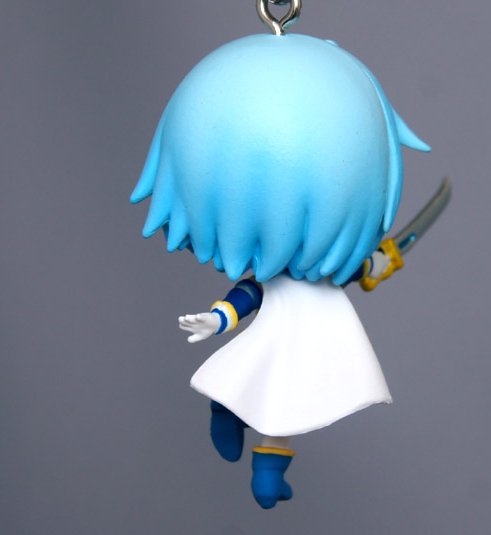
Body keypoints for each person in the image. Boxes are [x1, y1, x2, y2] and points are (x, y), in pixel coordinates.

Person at [131, 33, 430, 508]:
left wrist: (380, 260)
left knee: (290, 405)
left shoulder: (336, 260)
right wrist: (217, 319)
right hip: (279, 330)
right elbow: (247, 295)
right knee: (261, 385)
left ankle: (268, 471)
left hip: (322, 336)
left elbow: (360, 269)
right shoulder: (274, 274)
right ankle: (229, 414)